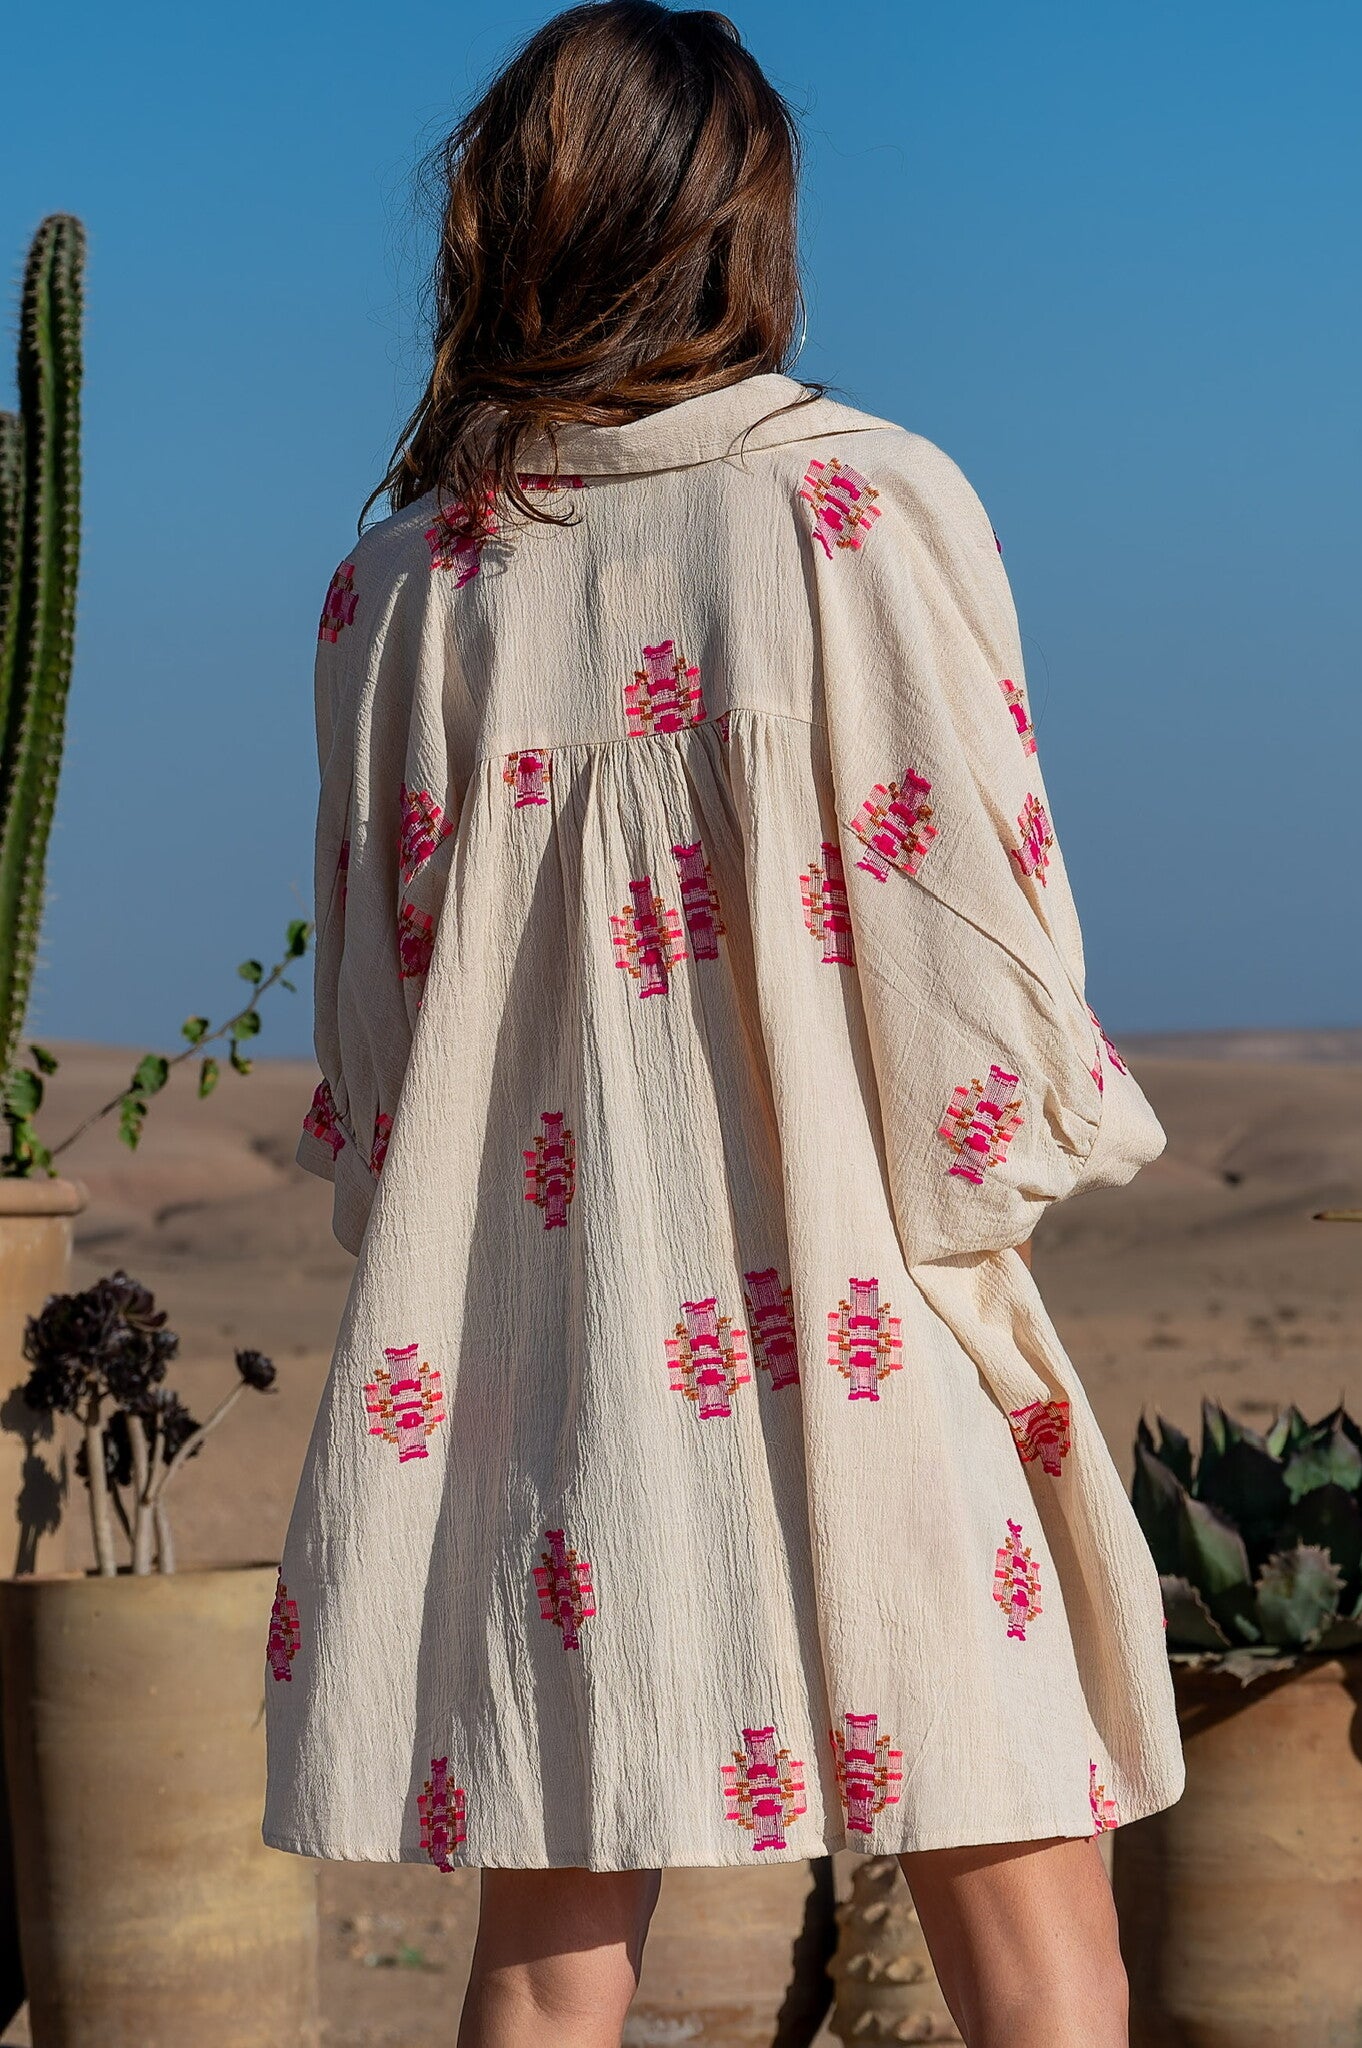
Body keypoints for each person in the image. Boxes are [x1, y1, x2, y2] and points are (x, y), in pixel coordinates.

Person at [264, 7, 1183, 2044]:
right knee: (1040, 1948)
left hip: (550, 1350)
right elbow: (974, 961)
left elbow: (382, 1055)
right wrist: (999, 1176)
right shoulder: (865, 507)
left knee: (548, 1964)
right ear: (740, 220)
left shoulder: (401, 587)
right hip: (870, 1315)